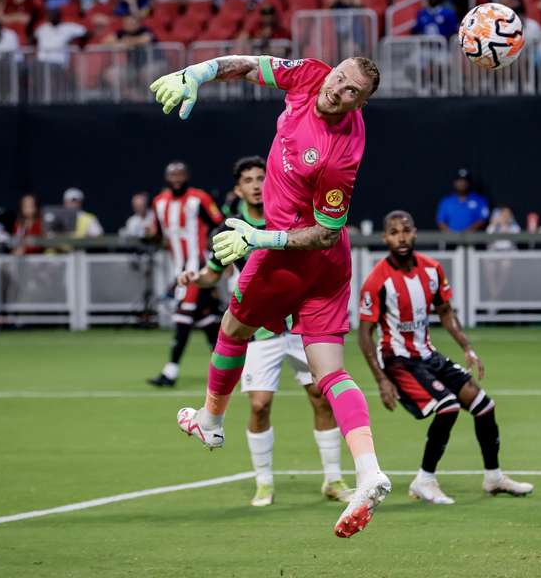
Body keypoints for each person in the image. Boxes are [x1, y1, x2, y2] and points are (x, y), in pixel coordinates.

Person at [149, 52, 389, 538]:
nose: (336, 88)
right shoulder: (312, 75)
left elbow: (323, 232)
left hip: (293, 253)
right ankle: (369, 472)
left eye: (350, 92)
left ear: (360, 104)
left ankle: (211, 420)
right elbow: (245, 64)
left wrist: (262, 239)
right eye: (339, 77)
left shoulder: (339, 154)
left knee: (232, 328)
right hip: (328, 266)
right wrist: (197, 73)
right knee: (330, 372)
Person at [179, 155, 352, 507]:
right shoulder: (232, 228)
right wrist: (196, 278)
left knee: (321, 397)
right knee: (259, 404)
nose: (257, 185)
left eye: (261, 177)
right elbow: (215, 271)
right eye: (249, 180)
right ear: (238, 188)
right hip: (259, 332)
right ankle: (263, 482)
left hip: (302, 325)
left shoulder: (289, 216)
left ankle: (333, 479)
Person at [358, 210, 534, 504]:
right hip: (398, 360)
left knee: (484, 406)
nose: (401, 237)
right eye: (393, 232)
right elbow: (365, 334)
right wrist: (381, 380)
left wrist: (467, 348)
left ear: (415, 232)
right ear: (384, 237)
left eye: (406, 230)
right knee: (448, 407)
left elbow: (445, 313)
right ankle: (424, 480)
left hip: (427, 355)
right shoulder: (377, 280)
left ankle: (494, 477)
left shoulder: (432, 270)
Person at [146, 161, 224, 387]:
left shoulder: (199, 198)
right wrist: (149, 235)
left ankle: (170, 372)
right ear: (166, 178)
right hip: (178, 269)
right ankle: (226, 365)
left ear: (188, 175)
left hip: (198, 268)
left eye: (181, 174)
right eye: (173, 175)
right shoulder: (159, 202)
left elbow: (219, 225)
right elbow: (158, 235)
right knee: (206, 318)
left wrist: (218, 256)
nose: (177, 178)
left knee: (183, 314)